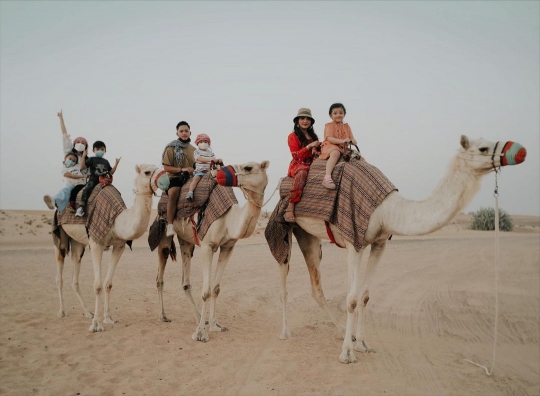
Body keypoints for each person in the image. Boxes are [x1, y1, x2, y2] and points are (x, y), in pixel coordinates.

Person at [284, 108, 320, 222]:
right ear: (297, 121)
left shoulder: (314, 136)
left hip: (313, 163)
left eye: (308, 119)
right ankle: (290, 206)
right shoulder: (292, 136)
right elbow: (296, 155)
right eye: (302, 118)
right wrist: (309, 147)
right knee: (303, 172)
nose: (305, 121)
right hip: (299, 164)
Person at [162, 121, 196, 236]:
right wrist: (182, 169)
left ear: (190, 133)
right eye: (181, 131)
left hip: (191, 177)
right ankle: (170, 225)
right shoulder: (171, 148)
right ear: (177, 133)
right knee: (174, 193)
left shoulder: (194, 150)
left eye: (186, 131)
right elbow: (166, 167)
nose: (184, 133)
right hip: (175, 177)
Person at [75, 141, 121, 217]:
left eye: (102, 149)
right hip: (94, 180)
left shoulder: (106, 162)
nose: (100, 151)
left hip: (105, 180)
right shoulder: (91, 159)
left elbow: (111, 172)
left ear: (105, 151)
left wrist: (116, 164)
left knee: (117, 193)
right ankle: (81, 208)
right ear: (93, 150)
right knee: (87, 190)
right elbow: (82, 167)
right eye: (98, 149)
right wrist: (83, 156)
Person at [319, 103, 357, 189]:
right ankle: (327, 177)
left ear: (344, 114)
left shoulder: (347, 126)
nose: (338, 115)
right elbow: (329, 138)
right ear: (331, 116)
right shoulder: (329, 125)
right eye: (335, 113)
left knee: (358, 157)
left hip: (343, 147)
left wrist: (353, 141)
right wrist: (342, 141)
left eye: (340, 113)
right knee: (335, 153)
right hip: (330, 146)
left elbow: (352, 138)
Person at [186, 133, 222, 201]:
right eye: (201, 142)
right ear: (198, 143)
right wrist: (211, 160)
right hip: (200, 171)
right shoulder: (196, 152)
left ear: (208, 144)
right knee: (195, 179)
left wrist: (219, 160)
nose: (203, 143)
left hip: (210, 172)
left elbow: (214, 161)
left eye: (205, 142)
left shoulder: (211, 153)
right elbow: (199, 159)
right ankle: (190, 192)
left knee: (218, 180)